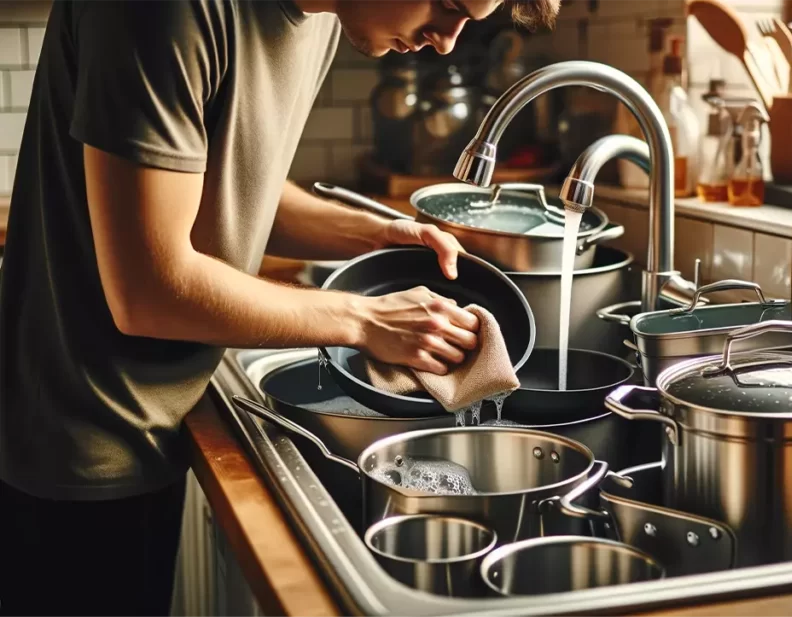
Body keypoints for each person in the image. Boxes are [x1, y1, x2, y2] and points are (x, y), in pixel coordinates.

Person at [0, 0, 561, 615]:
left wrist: (374, 233)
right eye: (449, 5)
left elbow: (233, 185)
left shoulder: (327, 14)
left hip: (157, 412)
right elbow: (148, 291)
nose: (448, 41)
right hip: (82, 438)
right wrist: (362, 320)